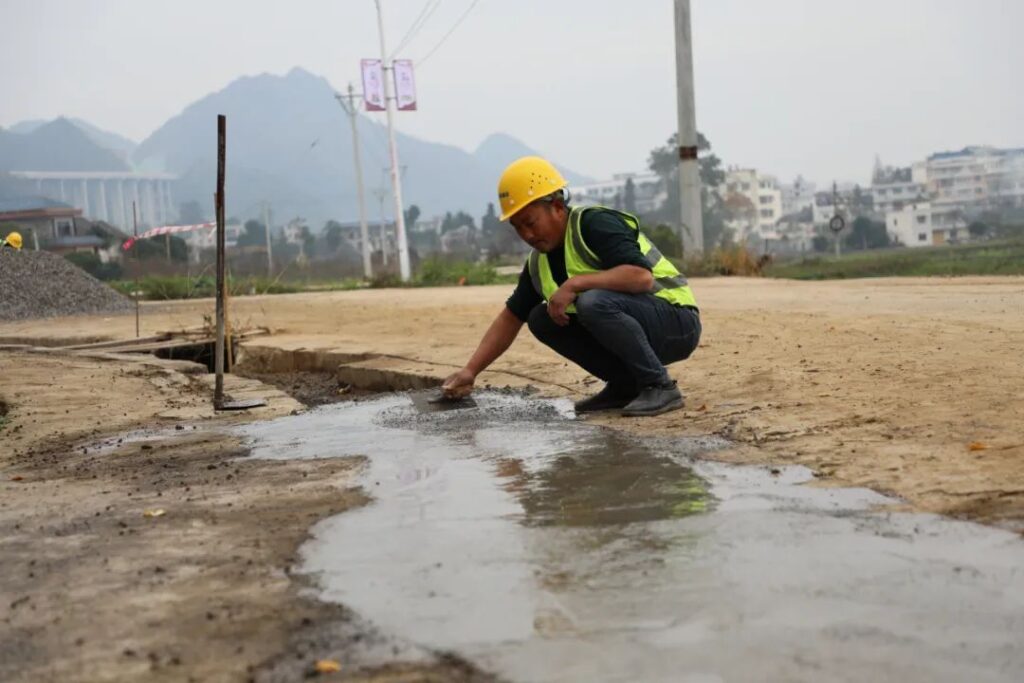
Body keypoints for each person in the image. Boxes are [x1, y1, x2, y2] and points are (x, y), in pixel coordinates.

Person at [442, 156, 701, 417]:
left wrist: (576, 284)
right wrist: (470, 371)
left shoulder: (594, 224)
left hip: (677, 321)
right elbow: (510, 318)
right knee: (540, 318)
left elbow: (641, 277)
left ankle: (660, 385)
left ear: (556, 206)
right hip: (640, 326)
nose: (527, 235)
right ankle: (626, 385)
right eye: (518, 227)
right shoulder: (537, 263)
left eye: (530, 223)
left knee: (593, 303)